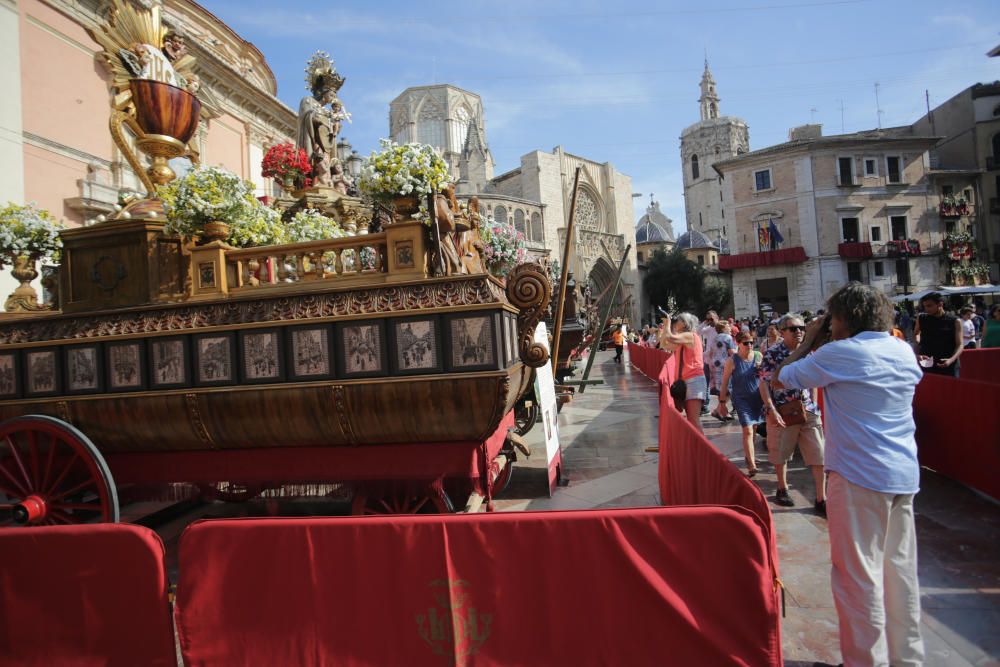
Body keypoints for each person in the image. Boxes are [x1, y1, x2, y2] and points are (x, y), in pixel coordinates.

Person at [773, 283, 925, 667]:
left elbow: (782, 377)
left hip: (858, 476)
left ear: (843, 318)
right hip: (902, 474)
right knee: (901, 574)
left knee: (859, 579)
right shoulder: (901, 349)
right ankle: (908, 659)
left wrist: (809, 339)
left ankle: (864, 661)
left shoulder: (841, 353)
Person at [758, 313, 826, 512]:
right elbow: (763, 382)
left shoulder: (809, 353)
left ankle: (821, 498)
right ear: (782, 332)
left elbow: (812, 379)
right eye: (793, 328)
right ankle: (782, 488)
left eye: (802, 328)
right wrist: (771, 409)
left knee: (819, 454)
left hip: (808, 410)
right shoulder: (773, 353)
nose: (799, 332)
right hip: (783, 409)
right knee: (781, 452)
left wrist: (813, 402)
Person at [718, 333, 764, 477]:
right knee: (748, 430)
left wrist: (761, 369)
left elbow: (765, 377)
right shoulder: (732, 361)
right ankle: (752, 464)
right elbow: (725, 382)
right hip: (740, 399)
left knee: (754, 428)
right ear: (738, 344)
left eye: (751, 342)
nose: (749, 345)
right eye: (746, 343)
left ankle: (749, 455)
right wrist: (722, 403)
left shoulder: (758, 357)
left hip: (757, 397)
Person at [658, 312, 706, 433]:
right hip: (687, 381)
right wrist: (665, 326)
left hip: (694, 380)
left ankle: (701, 448)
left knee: (693, 420)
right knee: (691, 420)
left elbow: (670, 338)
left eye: (678, 320)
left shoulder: (690, 336)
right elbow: (664, 344)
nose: (675, 322)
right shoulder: (683, 339)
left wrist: (668, 323)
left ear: (685, 323)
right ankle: (696, 447)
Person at [913, 292, 963, 377]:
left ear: (940, 304)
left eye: (929, 306)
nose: (926, 309)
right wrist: (918, 348)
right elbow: (916, 334)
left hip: (948, 364)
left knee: (950, 390)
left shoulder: (955, 321)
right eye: (924, 306)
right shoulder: (922, 318)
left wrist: (951, 360)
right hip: (927, 363)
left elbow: (960, 344)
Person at [709, 321, 735, 420]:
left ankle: (720, 411)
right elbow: (732, 352)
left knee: (722, 389)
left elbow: (711, 353)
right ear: (723, 328)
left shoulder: (714, 338)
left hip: (716, 365)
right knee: (728, 389)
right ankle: (719, 410)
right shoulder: (728, 338)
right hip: (726, 365)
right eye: (728, 326)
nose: (730, 327)